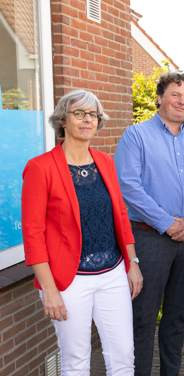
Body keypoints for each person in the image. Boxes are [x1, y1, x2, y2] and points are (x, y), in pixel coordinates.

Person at [22, 90, 143, 375]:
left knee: (124, 357)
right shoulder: (40, 167)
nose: (87, 119)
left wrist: (133, 263)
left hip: (113, 274)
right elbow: (33, 233)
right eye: (79, 113)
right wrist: (48, 288)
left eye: (93, 115)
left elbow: (120, 215)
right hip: (69, 280)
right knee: (75, 362)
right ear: (63, 119)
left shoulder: (106, 162)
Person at [114, 71, 184, 376]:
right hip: (149, 239)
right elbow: (128, 186)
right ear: (160, 98)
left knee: (178, 317)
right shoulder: (136, 136)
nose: (181, 101)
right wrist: (167, 223)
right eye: (175, 94)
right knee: (142, 317)